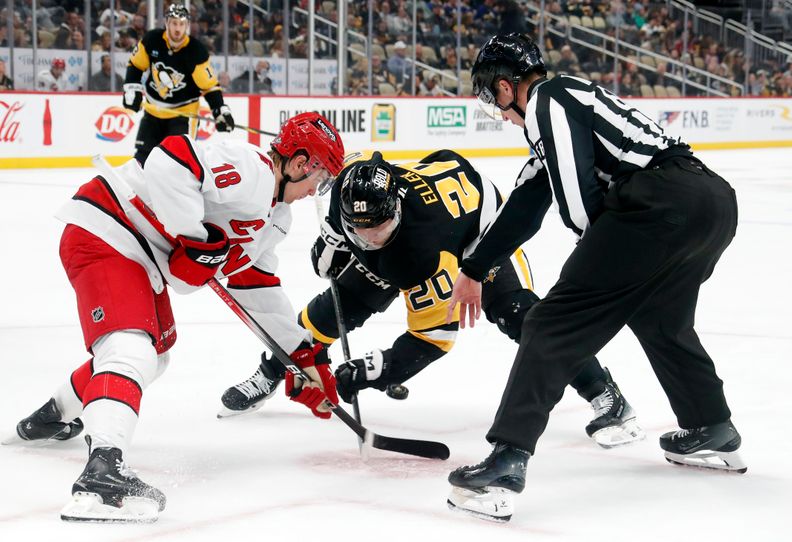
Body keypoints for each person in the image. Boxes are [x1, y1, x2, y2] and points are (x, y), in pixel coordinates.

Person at [445, 33, 744, 522]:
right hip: (710, 201)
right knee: (662, 322)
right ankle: (712, 427)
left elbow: (578, 196)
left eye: (491, 98)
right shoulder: (573, 104)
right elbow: (526, 203)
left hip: (659, 204)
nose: (499, 113)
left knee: (549, 324)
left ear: (504, 86)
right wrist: (476, 268)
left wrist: (591, 257)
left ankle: (505, 461)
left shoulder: (548, 98)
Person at [11, 112, 345, 523]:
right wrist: (193, 237)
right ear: (298, 163)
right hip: (108, 230)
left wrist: (305, 355)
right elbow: (170, 159)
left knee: (157, 354)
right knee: (130, 349)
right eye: (321, 178)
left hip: (138, 256)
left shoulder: (277, 217)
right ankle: (102, 473)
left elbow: (254, 284)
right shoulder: (250, 169)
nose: (317, 190)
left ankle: (52, 415)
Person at [218, 150, 642, 450]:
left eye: (377, 228)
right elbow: (341, 237)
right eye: (358, 229)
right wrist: (332, 245)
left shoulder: (421, 252)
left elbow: (433, 338)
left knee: (526, 319)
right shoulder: (346, 192)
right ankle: (271, 370)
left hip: (478, 234)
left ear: (397, 210)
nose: (367, 238)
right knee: (332, 310)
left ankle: (606, 394)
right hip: (421, 215)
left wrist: (363, 373)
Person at [122, 3, 234, 164]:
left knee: (178, 163)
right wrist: (132, 88)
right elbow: (136, 64)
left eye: (181, 24)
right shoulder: (152, 40)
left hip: (183, 115)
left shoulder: (196, 51)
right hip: (153, 110)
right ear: (167, 23)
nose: (177, 28)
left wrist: (219, 110)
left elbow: (209, 87)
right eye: (174, 23)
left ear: (187, 26)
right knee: (142, 158)